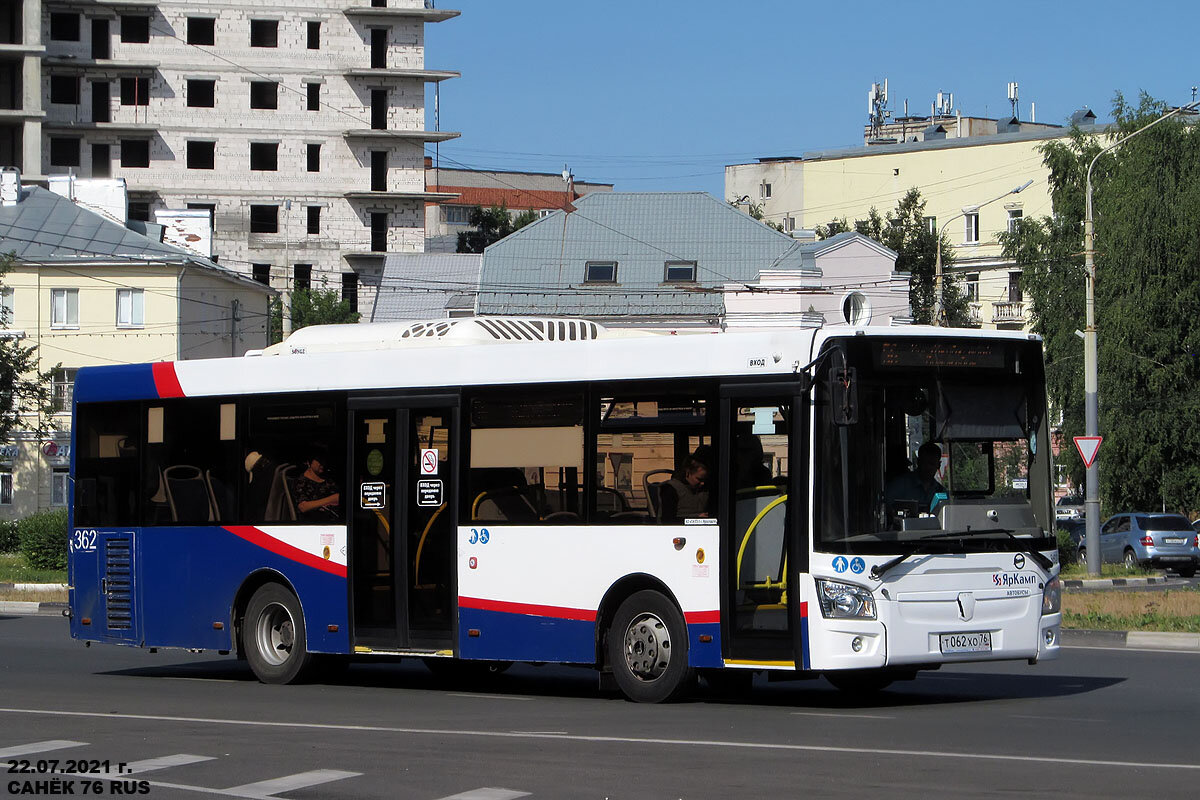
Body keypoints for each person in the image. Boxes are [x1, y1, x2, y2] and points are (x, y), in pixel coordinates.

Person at [885, 441, 945, 515]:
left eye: (932, 463)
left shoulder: (941, 492)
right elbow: (885, 509)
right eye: (924, 463)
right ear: (918, 462)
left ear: (939, 465)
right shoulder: (900, 485)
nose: (928, 467)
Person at [659, 453, 710, 523]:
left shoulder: (704, 490)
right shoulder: (671, 489)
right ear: (688, 473)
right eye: (699, 479)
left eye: (704, 480)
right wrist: (696, 519)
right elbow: (667, 520)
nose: (702, 483)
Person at [294, 449, 341, 522]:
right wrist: (330, 500)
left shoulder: (328, 478)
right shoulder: (301, 482)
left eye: (324, 460)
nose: (322, 463)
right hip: (317, 521)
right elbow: (303, 507)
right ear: (309, 462)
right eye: (319, 460)